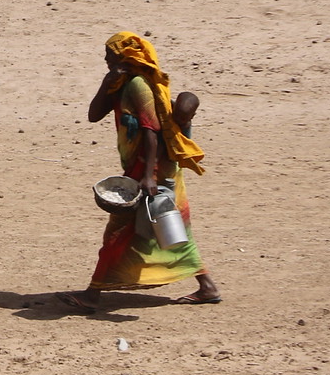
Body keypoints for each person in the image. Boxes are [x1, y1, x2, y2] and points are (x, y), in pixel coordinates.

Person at [60, 32, 221, 311]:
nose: (106, 58)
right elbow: (93, 115)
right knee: (172, 227)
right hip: (144, 165)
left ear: (123, 56)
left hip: (152, 167)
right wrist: (106, 85)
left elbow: (151, 130)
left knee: (120, 231)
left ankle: (92, 294)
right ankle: (206, 286)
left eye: (110, 53)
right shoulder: (122, 83)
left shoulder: (138, 85)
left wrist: (148, 175)